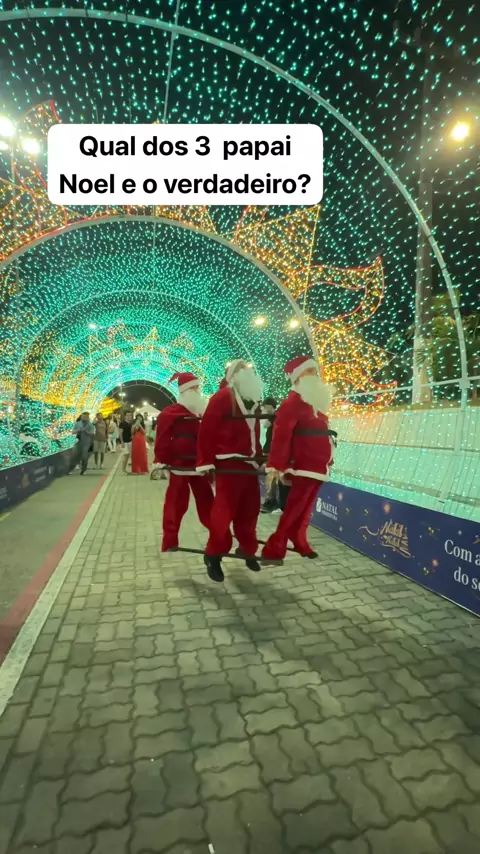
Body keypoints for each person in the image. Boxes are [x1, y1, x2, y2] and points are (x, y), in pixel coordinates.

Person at [261, 356, 335, 566]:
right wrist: (276, 465)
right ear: (298, 377)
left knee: (305, 509)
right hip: (303, 465)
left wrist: (329, 459)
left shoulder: (314, 405)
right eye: (309, 372)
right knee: (294, 509)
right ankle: (273, 549)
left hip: (318, 465)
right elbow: (281, 435)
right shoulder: (292, 403)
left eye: (315, 372)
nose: (314, 376)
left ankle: (299, 539)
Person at [197, 359, 264, 582]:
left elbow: (255, 432)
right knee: (223, 513)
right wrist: (206, 461)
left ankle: (247, 549)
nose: (248, 373)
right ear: (233, 376)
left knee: (250, 510)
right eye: (242, 370)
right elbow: (207, 430)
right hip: (229, 465)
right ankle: (213, 555)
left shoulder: (253, 399)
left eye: (249, 370)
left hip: (249, 465)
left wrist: (259, 456)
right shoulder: (222, 397)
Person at [155, 372, 214, 552]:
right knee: (176, 504)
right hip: (180, 464)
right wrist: (161, 458)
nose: (197, 392)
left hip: (199, 464)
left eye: (197, 388)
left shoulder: (203, 411)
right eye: (193, 389)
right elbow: (162, 437)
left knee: (207, 503)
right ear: (184, 391)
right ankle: (170, 539)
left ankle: (219, 537)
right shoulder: (170, 413)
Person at [259, 397, 281, 514]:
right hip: (269, 449)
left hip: (273, 450)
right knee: (271, 475)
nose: (265, 409)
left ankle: (271, 500)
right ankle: (270, 500)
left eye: (267, 406)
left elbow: (265, 425)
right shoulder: (274, 416)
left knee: (272, 476)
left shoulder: (275, 416)